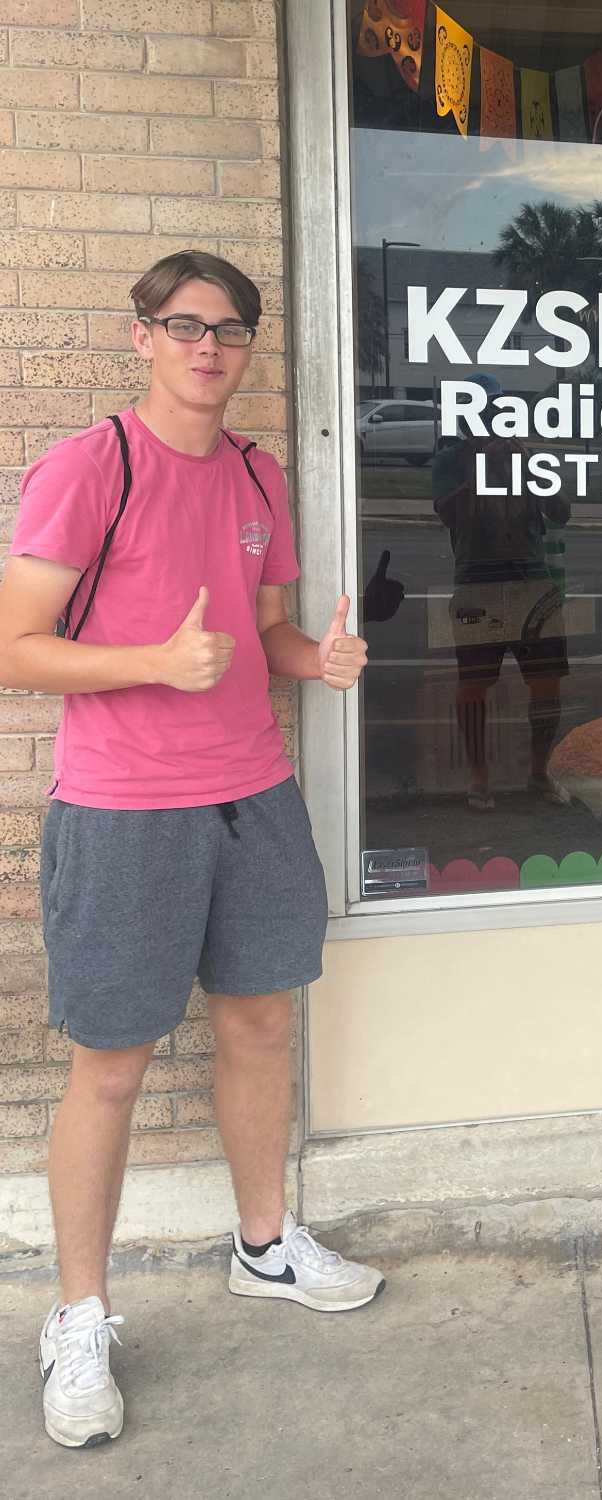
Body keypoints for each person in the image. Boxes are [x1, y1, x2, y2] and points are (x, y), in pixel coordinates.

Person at [0, 251, 386, 1450]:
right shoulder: (90, 467)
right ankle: (79, 1316)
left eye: (229, 331)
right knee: (110, 1066)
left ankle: (263, 1246)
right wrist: (151, 665)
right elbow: (15, 646)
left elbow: (262, 631)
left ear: (250, 348)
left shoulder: (260, 475)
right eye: (184, 326)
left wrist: (311, 663)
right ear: (143, 338)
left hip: (253, 797)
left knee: (261, 1024)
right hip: (123, 813)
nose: (208, 348)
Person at [432, 375, 570, 811]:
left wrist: (529, 466)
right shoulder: (452, 458)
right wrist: (481, 465)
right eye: (485, 413)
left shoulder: (524, 456)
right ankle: (478, 777)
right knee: (473, 685)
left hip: (532, 580)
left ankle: (539, 772)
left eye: (499, 412)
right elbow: (447, 513)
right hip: (478, 581)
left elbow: (561, 512)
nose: (494, 422)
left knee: (546, 683)